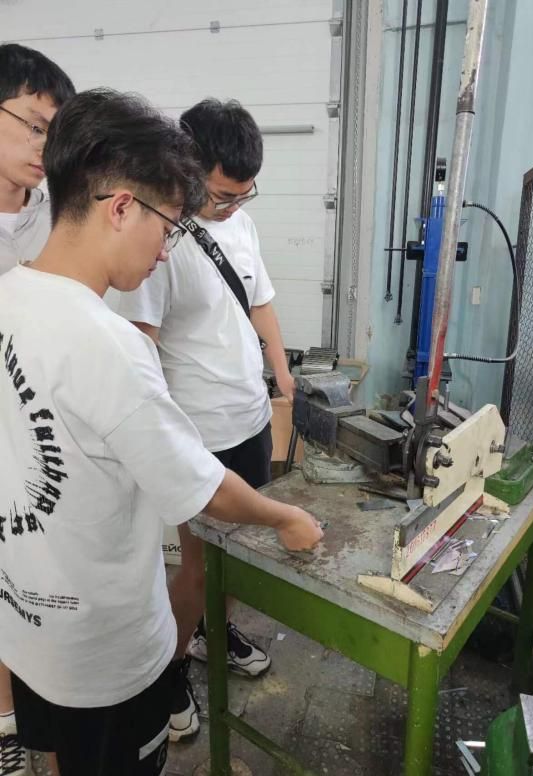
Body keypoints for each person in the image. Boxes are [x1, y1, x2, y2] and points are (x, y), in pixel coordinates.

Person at [0, 87, 323, 776]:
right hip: (108, 658)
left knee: (61, 759)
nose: (167, 249)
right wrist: (287, 516)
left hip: (28, 632)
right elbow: (203, 489)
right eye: (170, 226)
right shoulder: (111, 345)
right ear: (121, 207)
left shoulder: (8, 296)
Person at [118, 98, 296, 740]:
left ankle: (210, 635)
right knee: (196, 566)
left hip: (249, 419)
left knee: (237, 557)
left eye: (244, 195)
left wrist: (283, 375)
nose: (232, 207)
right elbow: (140, 345)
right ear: (187, 169)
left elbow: (261, 301)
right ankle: (167, 672)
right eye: (222, 195)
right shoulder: (160, 239)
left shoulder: (240, 226)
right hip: (200, 436)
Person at [0, 42, 75, 776]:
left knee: (39, 587)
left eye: (55, 133)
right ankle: (5, 725)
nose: (43, 148)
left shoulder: (57, 212)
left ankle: (46, 725)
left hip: (46, 439)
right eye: (32, 125)